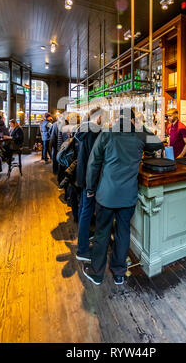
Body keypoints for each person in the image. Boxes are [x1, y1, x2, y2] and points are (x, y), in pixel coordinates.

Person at [83, 108, 163, 286]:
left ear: (117, 119)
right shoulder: (139, 136)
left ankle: (97, 273)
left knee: (102, 233)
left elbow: (93, 163)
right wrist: (139, 127)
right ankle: (119, 272)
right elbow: (158, 143)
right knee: (123, 232)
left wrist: (90, 188)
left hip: (106, 195)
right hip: (128, 195)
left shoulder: (107, 134)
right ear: (133, 121)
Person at [74, 107, 104, 261]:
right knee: (87, 211)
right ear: (97, 118)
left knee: (83, 209)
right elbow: (95, 160)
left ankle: (84, 238)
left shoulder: (84, 129)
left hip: (82, 175)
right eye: (103, 117)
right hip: (89, 177)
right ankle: (82, 249)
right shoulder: (94, 132)